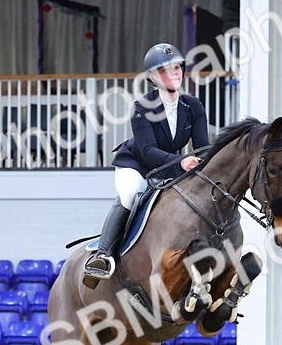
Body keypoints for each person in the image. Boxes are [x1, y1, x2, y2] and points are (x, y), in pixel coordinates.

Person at [83, 42, 211, 286]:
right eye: (164, 70)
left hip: (169, 168)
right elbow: (148, 151)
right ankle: (103, 255)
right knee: (132, 193)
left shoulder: (193, 106)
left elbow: (203, 147)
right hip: (137, 164)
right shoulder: (142, 107)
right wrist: (183, 161)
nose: (173, 73)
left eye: (177, 67)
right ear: (152, 78)